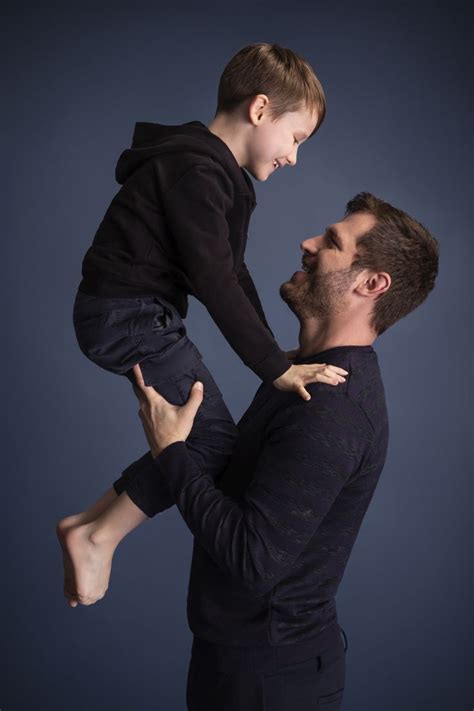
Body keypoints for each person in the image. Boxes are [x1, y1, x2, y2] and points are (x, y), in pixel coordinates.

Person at [58, 192, 439, 710]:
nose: (307, 243)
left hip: (270, 681)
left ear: (370, 284)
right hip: (238, 661)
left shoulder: (334, 408)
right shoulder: (304, 374)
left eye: (332, 243)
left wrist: (171, 451)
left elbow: (253, 559)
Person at [57, 42, 348, 602]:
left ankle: (87, 525)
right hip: (127, 317)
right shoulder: (197, 171)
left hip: (135, 314)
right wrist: (270, 369)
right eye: (296, 138)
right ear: (260, 110)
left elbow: (231, 274)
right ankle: (98, 537)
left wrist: (273, 353)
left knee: (207, 439)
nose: (294, 157)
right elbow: (214, 282)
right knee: (213, 442)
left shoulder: (214, 173)